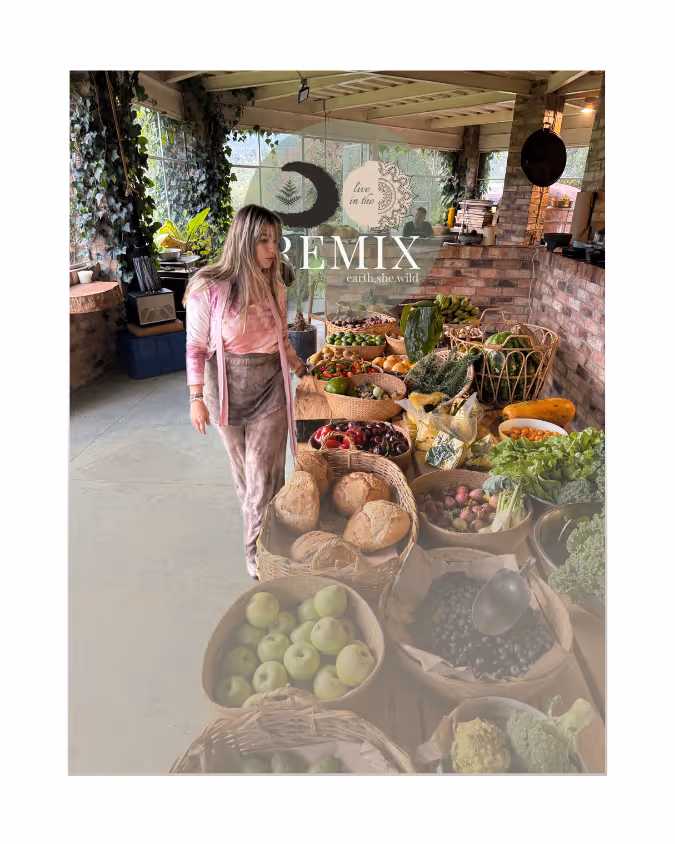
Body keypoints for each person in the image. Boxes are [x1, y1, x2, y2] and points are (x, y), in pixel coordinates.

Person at [184, 205, 307, 579]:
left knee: (263, 474)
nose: (273, 249)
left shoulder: (276, 287)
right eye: (264, 241)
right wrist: (196, 398)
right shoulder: (210, 288)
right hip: (225, 390)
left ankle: (257, 552)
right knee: (245, 477)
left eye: (275, 240)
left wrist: (302, 369)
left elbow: (282, 340)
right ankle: (270, 533)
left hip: (270, 386)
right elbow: (196, 346)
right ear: (244, 242)